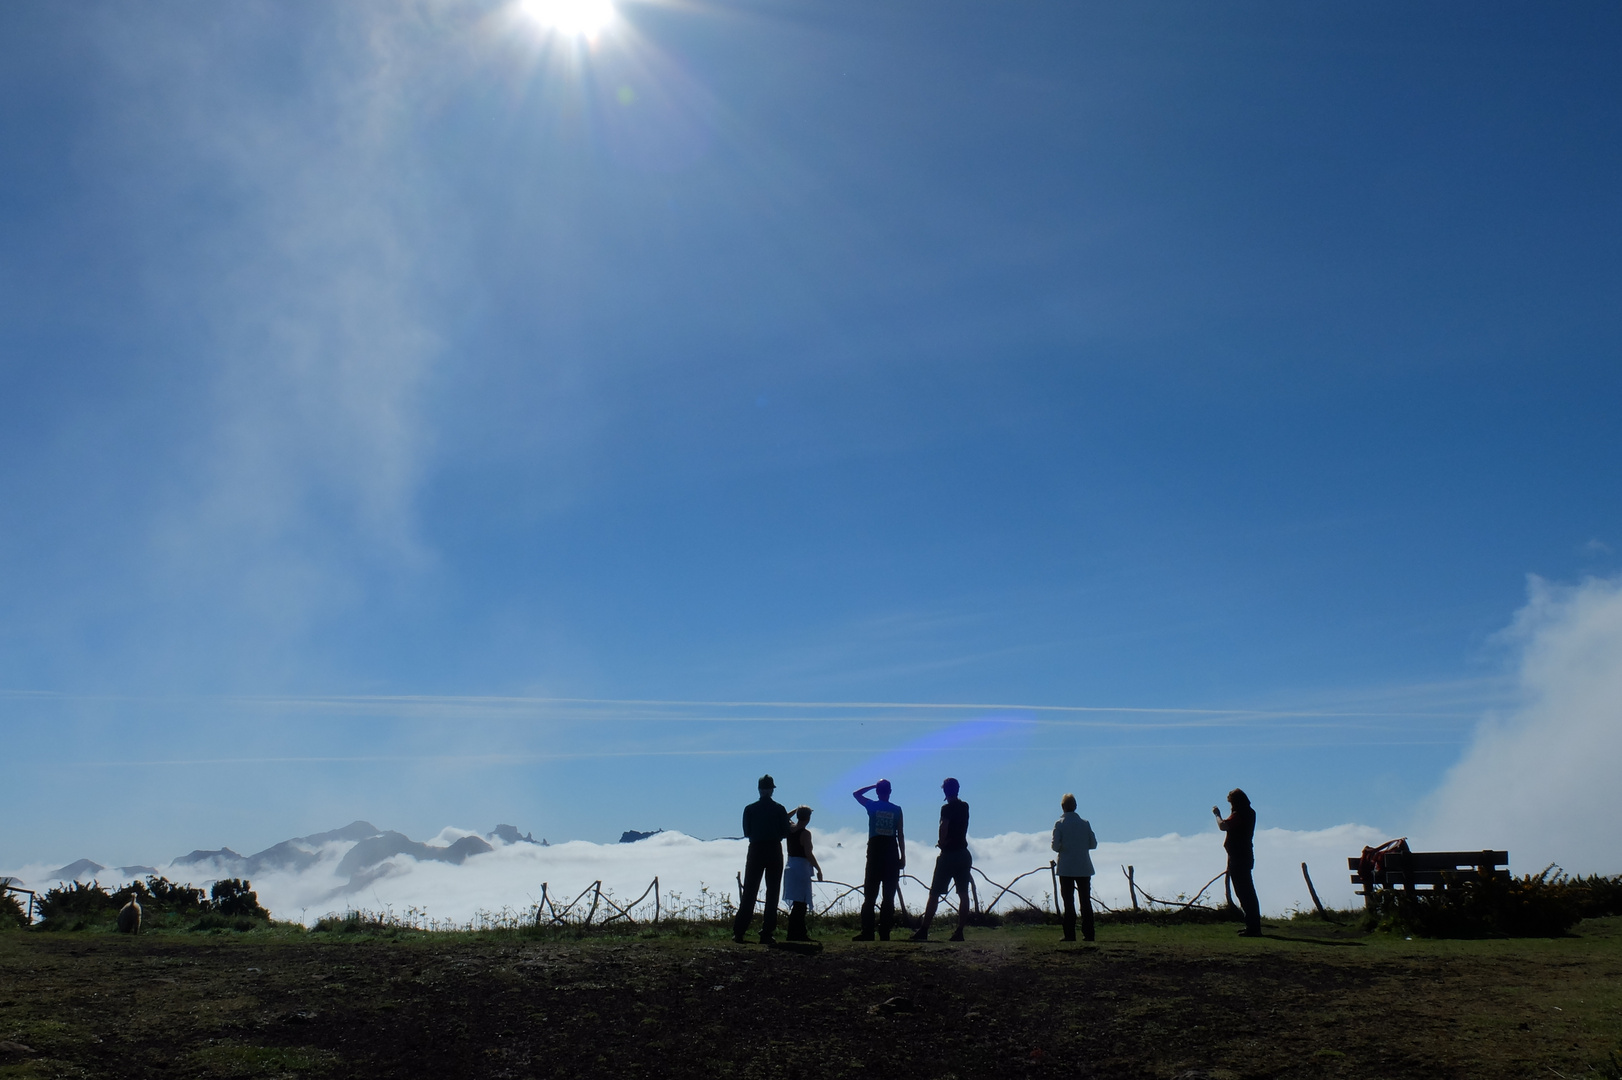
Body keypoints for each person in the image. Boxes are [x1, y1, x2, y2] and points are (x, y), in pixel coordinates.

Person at [910, 777, 971, 942]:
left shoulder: (946, 808)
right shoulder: (965, 806)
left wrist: (942, 842)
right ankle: (959, 931)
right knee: (963, 893)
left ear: (945, 791)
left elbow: (944, 825)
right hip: (963, 854)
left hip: (949, 854)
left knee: (935, 893)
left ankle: (924, 930)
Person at [734, 774, 791, 944]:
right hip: (774, 848)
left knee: (750, 891)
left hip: (756, 849)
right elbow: (785, 832)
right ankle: (767, 932)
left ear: (759, 789)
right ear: (772, 790)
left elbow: (747, 832)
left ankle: (739, 931)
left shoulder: (750, 809)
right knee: (772, 892)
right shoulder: (780, 809)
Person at [851, 779, 905, 941]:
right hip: (891, 851)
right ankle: (885, 932)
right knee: (888, 896)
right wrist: (903, 856)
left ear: (877, 792)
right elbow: (900, 834)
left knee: (870, 894)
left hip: (875, 851)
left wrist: (873, 786)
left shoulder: (872, 806)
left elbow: (856, 794)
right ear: (890, 791)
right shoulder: (897, 810)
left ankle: (867, 931)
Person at [1213, 788, 1261, 937]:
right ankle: (1252, 925)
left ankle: (1253, 928)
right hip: (1244, 855)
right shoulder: (1249, 813)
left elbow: (1224, 826)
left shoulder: (1240, 814)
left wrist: (1217, 815)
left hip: (1239, 857)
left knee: (1244, 892)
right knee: (1247, 892)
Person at [1050, 792, 1098, 942]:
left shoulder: (1059, 824)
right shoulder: (1085, 823)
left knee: (1068, 902)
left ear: (1063, 807)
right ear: (1075, 806)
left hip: (1066, 868)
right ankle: (1089, 933)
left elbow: (1055, 846)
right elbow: (1093, 844)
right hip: (1084, 867)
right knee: (1085, 901)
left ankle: (1070, 934)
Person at [783, 805, 825, 941]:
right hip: (801, 867)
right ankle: (798, 933)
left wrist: (796, 809)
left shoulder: (791, 829)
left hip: (790, 866)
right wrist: (818, 868)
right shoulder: (805, 833)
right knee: (801, 903)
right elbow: (808, 853)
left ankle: (795, 932)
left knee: (798, 902)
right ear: (808, 818)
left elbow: (785, 817)